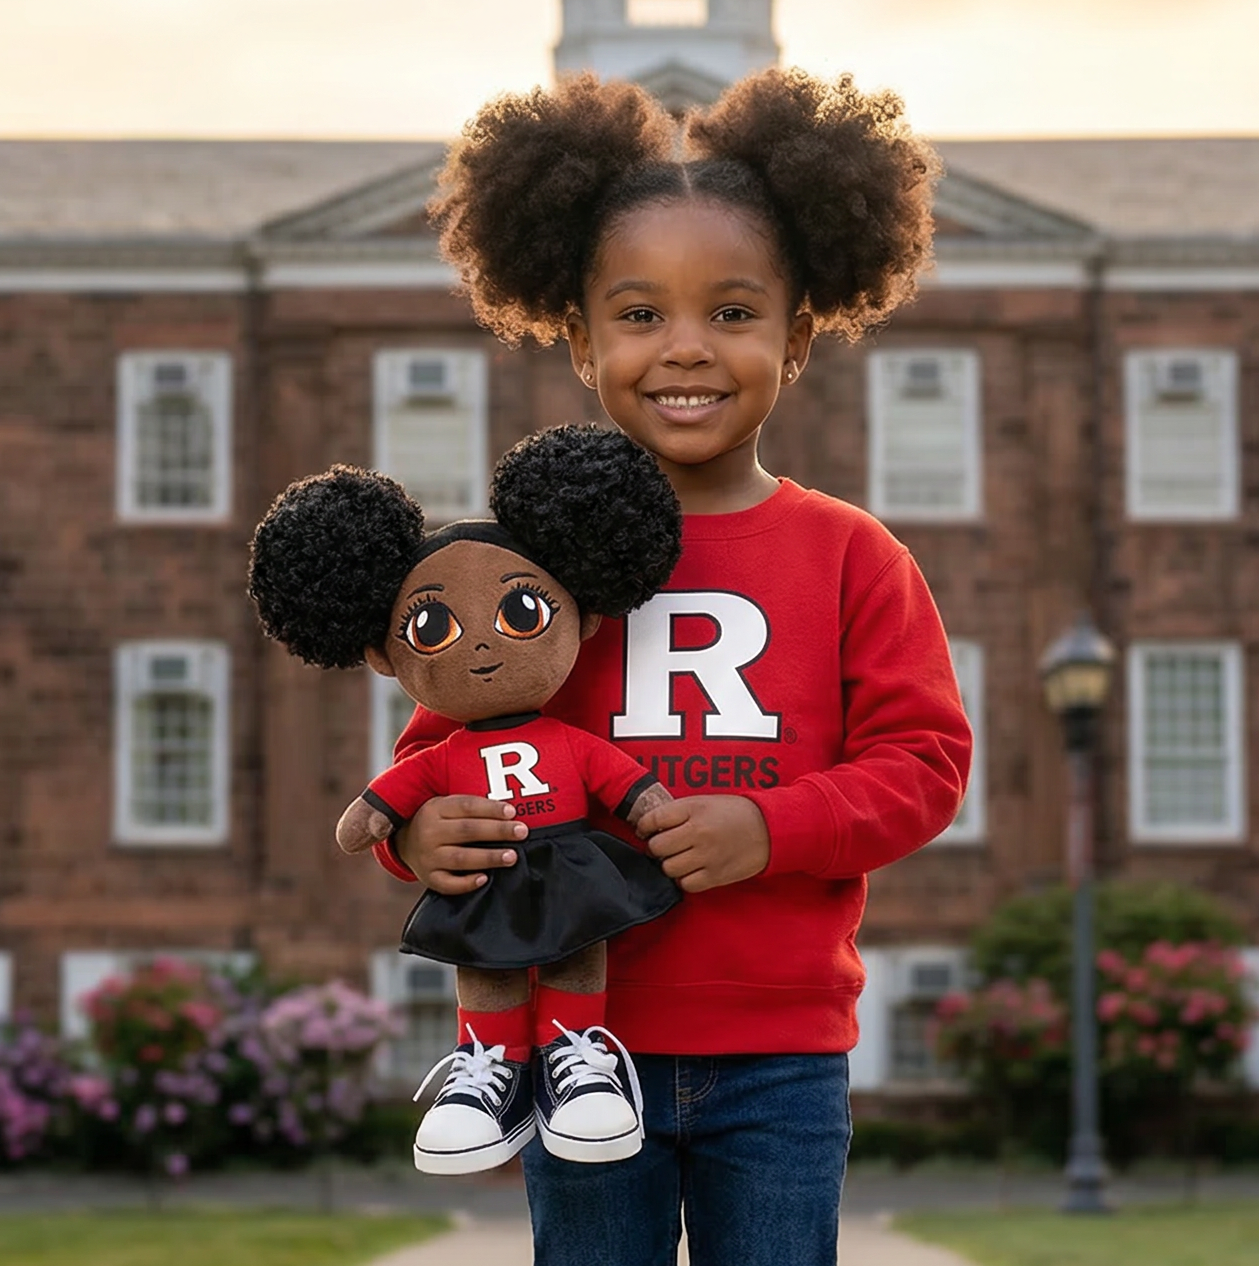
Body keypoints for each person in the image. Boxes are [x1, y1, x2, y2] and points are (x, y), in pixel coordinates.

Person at [372, 67, 973, 1266]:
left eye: (733, 312)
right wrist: (416, 840)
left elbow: (925, 764)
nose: (684, 348)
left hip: (781, 1051)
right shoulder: (525, 566)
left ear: (797, 337)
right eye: (639, 314)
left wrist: (773, 827)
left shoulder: (851, 554)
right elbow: (441, 751)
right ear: (579, 340)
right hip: (577, 1037)